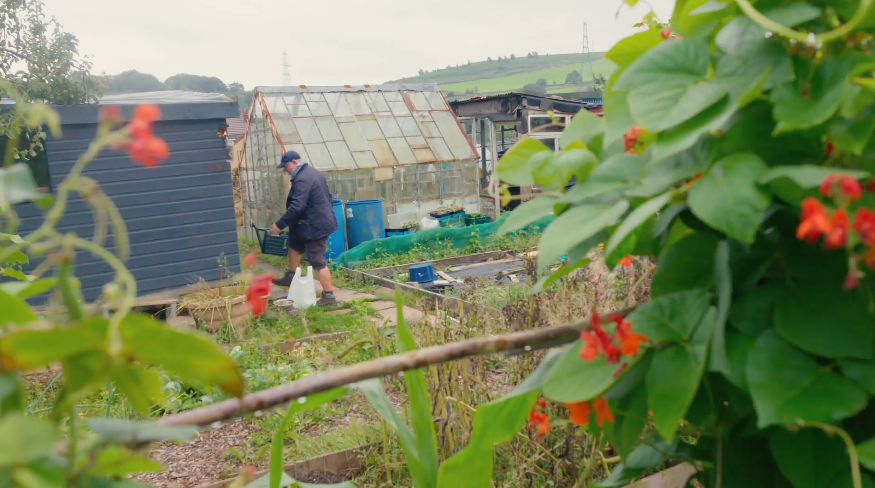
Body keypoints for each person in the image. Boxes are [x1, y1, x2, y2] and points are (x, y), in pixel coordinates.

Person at [270, 150, 338, 306]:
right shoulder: (313, 172)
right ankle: (291, 276)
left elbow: (297, 207)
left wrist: (279, 225)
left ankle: (329, 296)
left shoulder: (302, 179)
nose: (285, 170)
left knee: (317, 260)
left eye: (286, 166)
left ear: (294, 162)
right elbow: (327, 196)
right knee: (295, 245)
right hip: (308, 222)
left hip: (315, 226)